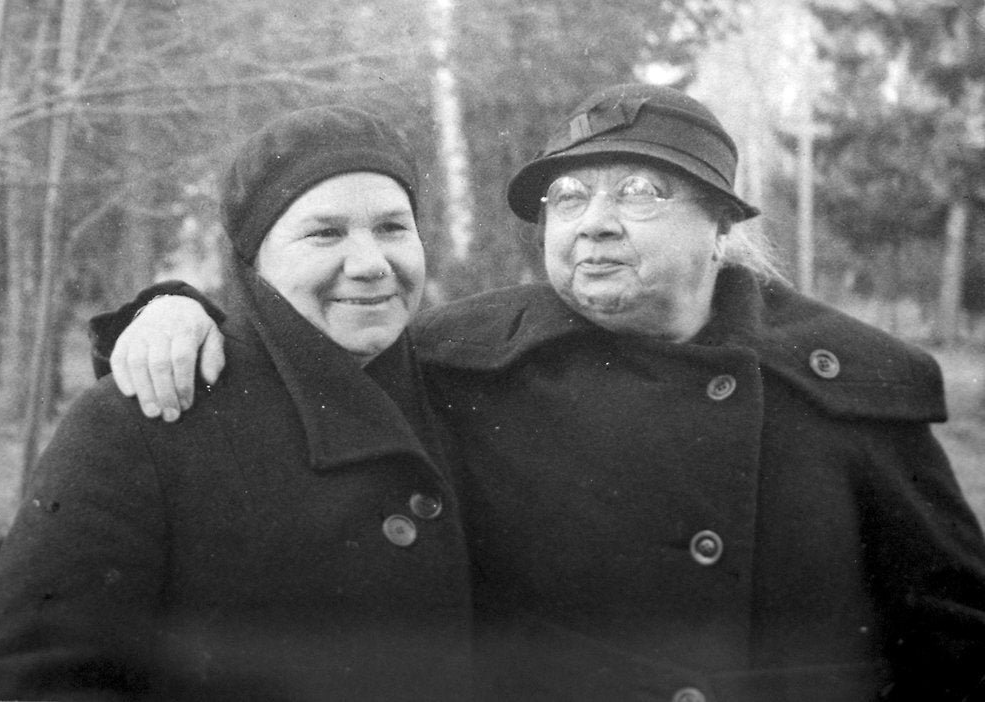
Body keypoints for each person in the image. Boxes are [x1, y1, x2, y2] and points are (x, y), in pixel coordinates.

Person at [69, 84, 985, 701]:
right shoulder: (461, 360)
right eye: (566, 200)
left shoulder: (850, 385)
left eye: (639, 193)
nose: (594, 224)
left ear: (721, 226)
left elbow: (955, 639)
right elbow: (299, 346)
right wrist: (176, 310)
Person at [0, 106, 476, 701]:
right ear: (254, 260)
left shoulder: (463, 392)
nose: (370, 264)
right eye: (324, 233)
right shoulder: (140, 421)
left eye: (392, 227)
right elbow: (22, 682)